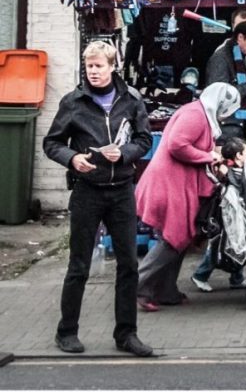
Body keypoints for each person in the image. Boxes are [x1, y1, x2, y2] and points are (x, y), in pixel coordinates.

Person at [43, 40, 154, 357]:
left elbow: (144, 139)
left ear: (112, 66)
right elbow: (52, 143)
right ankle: (66, 332)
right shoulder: (73, 103)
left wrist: (125, 153)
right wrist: (72, 158)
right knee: (79, 265)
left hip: (121, 191)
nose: (93, 71)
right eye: (89, 66)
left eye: (98, 65)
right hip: (87, 192)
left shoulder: (131, 100)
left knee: (129, 265)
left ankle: (127, 334)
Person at [135, 82, 239, 310]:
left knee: (179, 239)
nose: (224, 117)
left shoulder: (199, 113)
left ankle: (166, 290)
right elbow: (177, 145)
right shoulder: (196, 115)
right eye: (225, 111)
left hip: (176, 183)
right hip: (170, 184)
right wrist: (208, 156)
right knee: (173, 238)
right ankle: (139, 287)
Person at [190, 136, 246, 292]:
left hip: (233, 214)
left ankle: (237, 278)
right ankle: (200, 275)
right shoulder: (227, 171)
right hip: (222, 217)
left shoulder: (237, 170)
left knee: (238, 244)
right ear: (238, 156)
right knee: (218, 248)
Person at [205, 19, 246, 156]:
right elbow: (219, 95)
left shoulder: (238, 59)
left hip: (237, 127)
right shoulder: (221, 58)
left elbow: (237, 96)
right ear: (240, 37)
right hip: (226, 129)